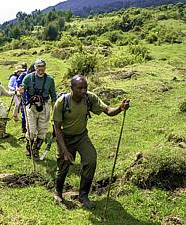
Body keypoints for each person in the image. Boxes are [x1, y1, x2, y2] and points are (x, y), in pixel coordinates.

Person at [52, 75, 130, 209]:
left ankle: (83, 195)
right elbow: (57, 129)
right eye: (79, 88)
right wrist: (65, 151)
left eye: (85, 88)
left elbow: (108, 111)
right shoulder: (61, 102)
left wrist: (120, 108)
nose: (83, 91)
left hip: (81, 136)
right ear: (72, 88)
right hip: (65, 137)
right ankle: (58, 193)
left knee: (91, 160)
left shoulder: (89, 98)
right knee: (63, 166)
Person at [19, 59, 57, 159]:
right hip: (31, 107)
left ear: (45, 67)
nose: (41, 69)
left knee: (43, 131)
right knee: (31, 131)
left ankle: (36, 149)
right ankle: (29, 147)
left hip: (44, 107)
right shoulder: (28, 78)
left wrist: (55, 111)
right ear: (35, 68)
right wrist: (21, 91)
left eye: (42, 66)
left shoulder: (50, 79)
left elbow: (53, 95)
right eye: (38, 67)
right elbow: (22, 88)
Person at [17, 63, 35, 134]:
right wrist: (21, 91)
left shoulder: (35, 76)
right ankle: (24, 128)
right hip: (24, 96)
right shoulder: (24, 75)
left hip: (32, 97)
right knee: (24, 113)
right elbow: (18, 84)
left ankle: (31, 128)